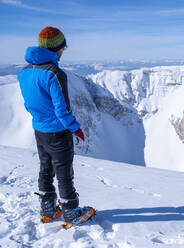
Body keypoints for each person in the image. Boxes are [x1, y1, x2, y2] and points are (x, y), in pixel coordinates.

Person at [17, 26, 94, 228]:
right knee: (64, 172)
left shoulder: (24, 72)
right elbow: (63, 110)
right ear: (56, 48)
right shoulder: (54, 73)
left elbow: (28, 103)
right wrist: (75, 128)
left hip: (39, 130)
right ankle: (71, 213)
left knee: (45, 169)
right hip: (58, 132)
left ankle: (48, 210)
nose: (63, 51)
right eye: (63, 47)